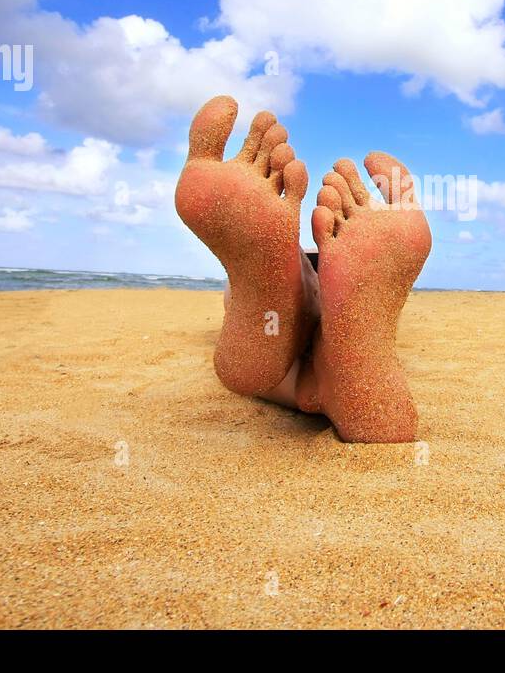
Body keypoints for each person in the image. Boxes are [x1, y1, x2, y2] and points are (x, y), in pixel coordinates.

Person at [174, 95, 431, 443]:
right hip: (337, 285)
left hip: (305, 286)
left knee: (252, 302)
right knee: (351, 320)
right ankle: (333, 370)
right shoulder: (349, 256)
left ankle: (295, 303)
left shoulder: (323, 256)